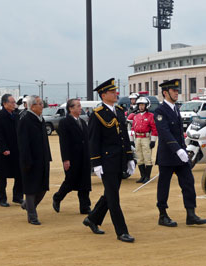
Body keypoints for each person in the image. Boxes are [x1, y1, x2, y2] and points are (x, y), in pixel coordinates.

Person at [83, 78, 136, 243]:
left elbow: (124, 137)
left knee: (110, 194)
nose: (116, 94)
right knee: (113, 198)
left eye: (115, 91)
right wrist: (96, 164)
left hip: (119, 160)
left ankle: (92, 219)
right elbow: (93, 141)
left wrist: (129, 157)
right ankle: (121, 231)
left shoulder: (119, 111)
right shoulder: (97, 114)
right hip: (106, 161)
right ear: (103, 95)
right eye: (112, 92)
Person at [154, 79, 206, 227]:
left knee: (188, 182)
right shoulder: (160, 111)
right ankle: (163, 215)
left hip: (181, 154)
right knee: (164, 185)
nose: (177, 93)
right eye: (174, 91)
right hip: (167, 155)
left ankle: (191, 214)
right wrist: (177, 149)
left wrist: (183, 149)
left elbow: (178, 133)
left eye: (177, 91)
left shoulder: (176, 108)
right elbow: (164, 132)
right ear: (165, 93)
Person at [53, 99, 91, 214]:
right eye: (78, 106)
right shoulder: (64, 123)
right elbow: (63, 143)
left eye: (80, 106)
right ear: (71, 108)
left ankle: (85, 206)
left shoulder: (83, 122)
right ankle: (57, 197)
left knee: (85, 182)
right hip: (73, 158)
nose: (80, 108)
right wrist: (66, 159)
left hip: (84, 157)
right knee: (70, 181)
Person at [17, 95, 52, 225]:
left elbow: (44, 140)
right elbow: (23, 143)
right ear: (32, 106)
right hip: (30, 160)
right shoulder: (25, 119)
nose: (42, 106)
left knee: (42, 187)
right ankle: (32, 216)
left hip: (42, 159)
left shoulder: (41, 119)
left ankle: (27, 205)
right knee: (31, 189)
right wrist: (26, 161)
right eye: (40, 104)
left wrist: (48, 157)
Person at [0, 94, 23, 207]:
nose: (14, 104)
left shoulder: (16, 116)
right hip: (4, 152)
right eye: (12, 102)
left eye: (14, 102)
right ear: (5, 104)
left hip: (16, 150)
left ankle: (18, 196)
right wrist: (3, 148)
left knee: (19, 174)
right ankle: (2, 199)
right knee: (2, 176)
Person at [128, 97, 157, 183]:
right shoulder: (135, 116)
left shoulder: (151, 116)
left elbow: (154, 129)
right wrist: (131, 140)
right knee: (139, 158)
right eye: (139, 105)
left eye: (143, 105)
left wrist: (153, 141)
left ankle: (147, 177)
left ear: (147, 106)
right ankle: (142, 176)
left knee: (147, 157)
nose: (141, 107)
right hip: (137, 138)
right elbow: (132, 128)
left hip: (146, 138)